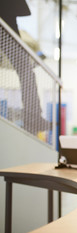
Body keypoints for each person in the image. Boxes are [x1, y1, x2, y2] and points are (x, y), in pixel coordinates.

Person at [0, 0, 49, 135]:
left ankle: (33, 116)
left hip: (9, 27)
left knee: (27, 72)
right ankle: (33, 116)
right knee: (26, 71)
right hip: (6, 25)